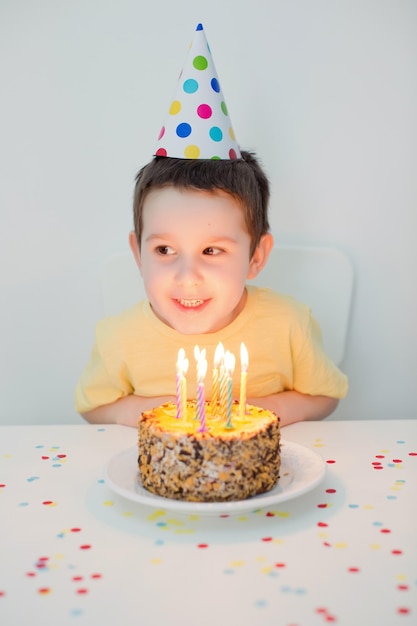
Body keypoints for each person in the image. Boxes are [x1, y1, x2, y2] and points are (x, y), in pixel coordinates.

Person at [75, 151, 348, 427]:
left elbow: (325, 395)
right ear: (138, 254)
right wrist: (144, 412)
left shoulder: (290, 324)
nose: (188, 277)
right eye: (164, 249)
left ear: (256, 257)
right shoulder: (118, 337)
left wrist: (266, 409)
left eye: (211, 250)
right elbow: (93, 406)